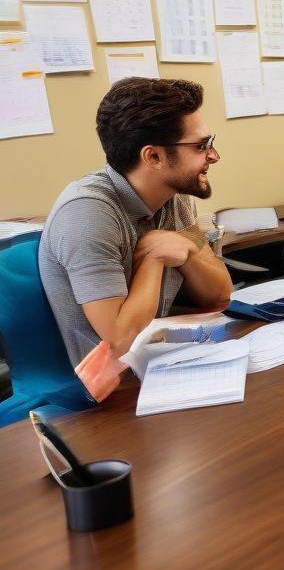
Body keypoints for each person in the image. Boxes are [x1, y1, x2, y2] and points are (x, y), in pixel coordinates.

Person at [39, 77, 232, 361]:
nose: (214, 156)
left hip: (156, 357)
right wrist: (153, 256)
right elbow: (117, 343)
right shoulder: (87, 214)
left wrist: (188, 249)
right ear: (153, 157)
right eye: (201, 146)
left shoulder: (174, 197)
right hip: (104, 389)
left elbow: (219, 294)